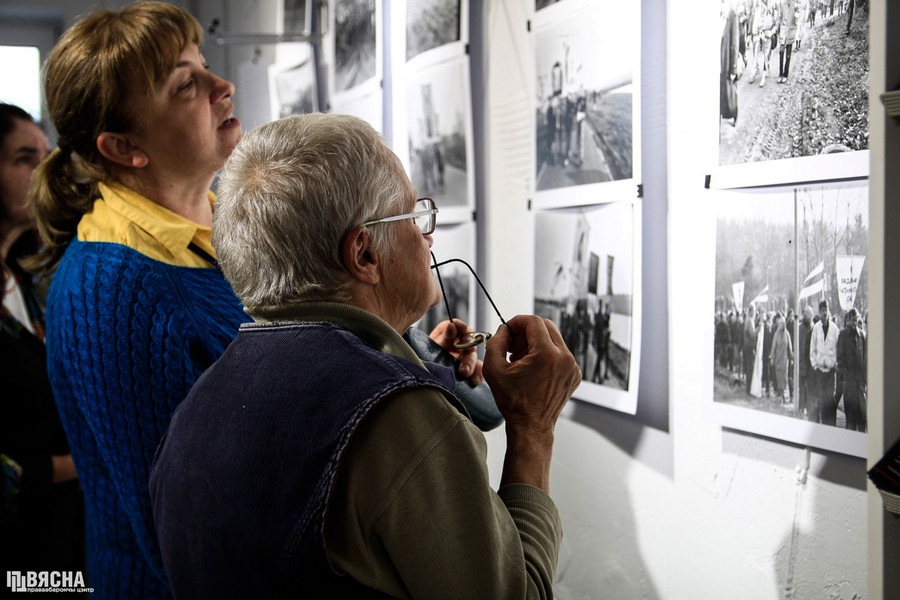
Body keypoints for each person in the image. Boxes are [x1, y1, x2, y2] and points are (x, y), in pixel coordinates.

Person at [150, 113, 582, 598]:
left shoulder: (196, 408)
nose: (429, 238)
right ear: (364, 255)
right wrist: (533, 428)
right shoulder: (397, 416)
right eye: (414, 217)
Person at [24, 4, 248, 596]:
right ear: (124, 148)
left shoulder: (227, 224)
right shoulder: (115, 292)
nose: (224, 87)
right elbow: (184, 542)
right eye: (186, 85)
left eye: (204, 67)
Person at [0, 103, 85, 577]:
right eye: (23, 159)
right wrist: (74, 466)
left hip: (56, 539)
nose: (44, 172)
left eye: (46, 155)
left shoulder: (23, 279)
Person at [836, 307, 866, 431]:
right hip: (849, 383)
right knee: (851, 419)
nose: (854, 323)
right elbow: (840, 357)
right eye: (852, 320)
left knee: (863, 417)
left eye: (856, 320)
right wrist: (845, 374)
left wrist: (864, 380)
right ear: (848, 320)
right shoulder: (843, 334)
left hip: (859, 383)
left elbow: (865, 358)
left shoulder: (862, 336)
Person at [809, 299, 839, 425]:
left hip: (831, 372)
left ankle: (830, 425)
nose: (825, 313)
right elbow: (813, 348)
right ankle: (823, 426)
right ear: (819, 312)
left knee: (830, 400)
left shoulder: (834, 329)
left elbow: (838, 348)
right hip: (820, 371)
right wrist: (815, 365)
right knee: (821, 400)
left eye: (826, 310)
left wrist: (835, 364)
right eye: (822, 310)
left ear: (828, 311)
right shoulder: (816, 328)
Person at [768, 312, 793, 403]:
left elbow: (790, 347)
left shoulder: (787, 334)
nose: (782, 326)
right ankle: (781, 396)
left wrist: (791, 357)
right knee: (779, 379)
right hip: (778, 360)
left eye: (783, 324)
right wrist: (772, 358)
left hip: (784, 360)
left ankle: (782, 395)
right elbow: (773, 346)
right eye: (781, 324)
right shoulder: (776, 334)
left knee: (784, 378)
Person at [797, 305, 815, 419]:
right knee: (802, 387)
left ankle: (808, 408)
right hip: (802, 362)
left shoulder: (813, 328)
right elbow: (798, 345)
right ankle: (800, 408)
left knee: (809, 388)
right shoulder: (800, 329)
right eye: (804, 315)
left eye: (807, 315)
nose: (805, 317)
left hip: (810, 363)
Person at [743, 304, 758, 394]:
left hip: (748, 346)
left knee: (750, 368)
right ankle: (748, 390)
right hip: (749, 347)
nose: (755, 312)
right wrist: (758, 328)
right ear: (751, 311)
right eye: (754, 311)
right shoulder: (749, 321)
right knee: (750, 368)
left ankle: (749, 389)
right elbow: (752, 334)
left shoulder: (749, 320)